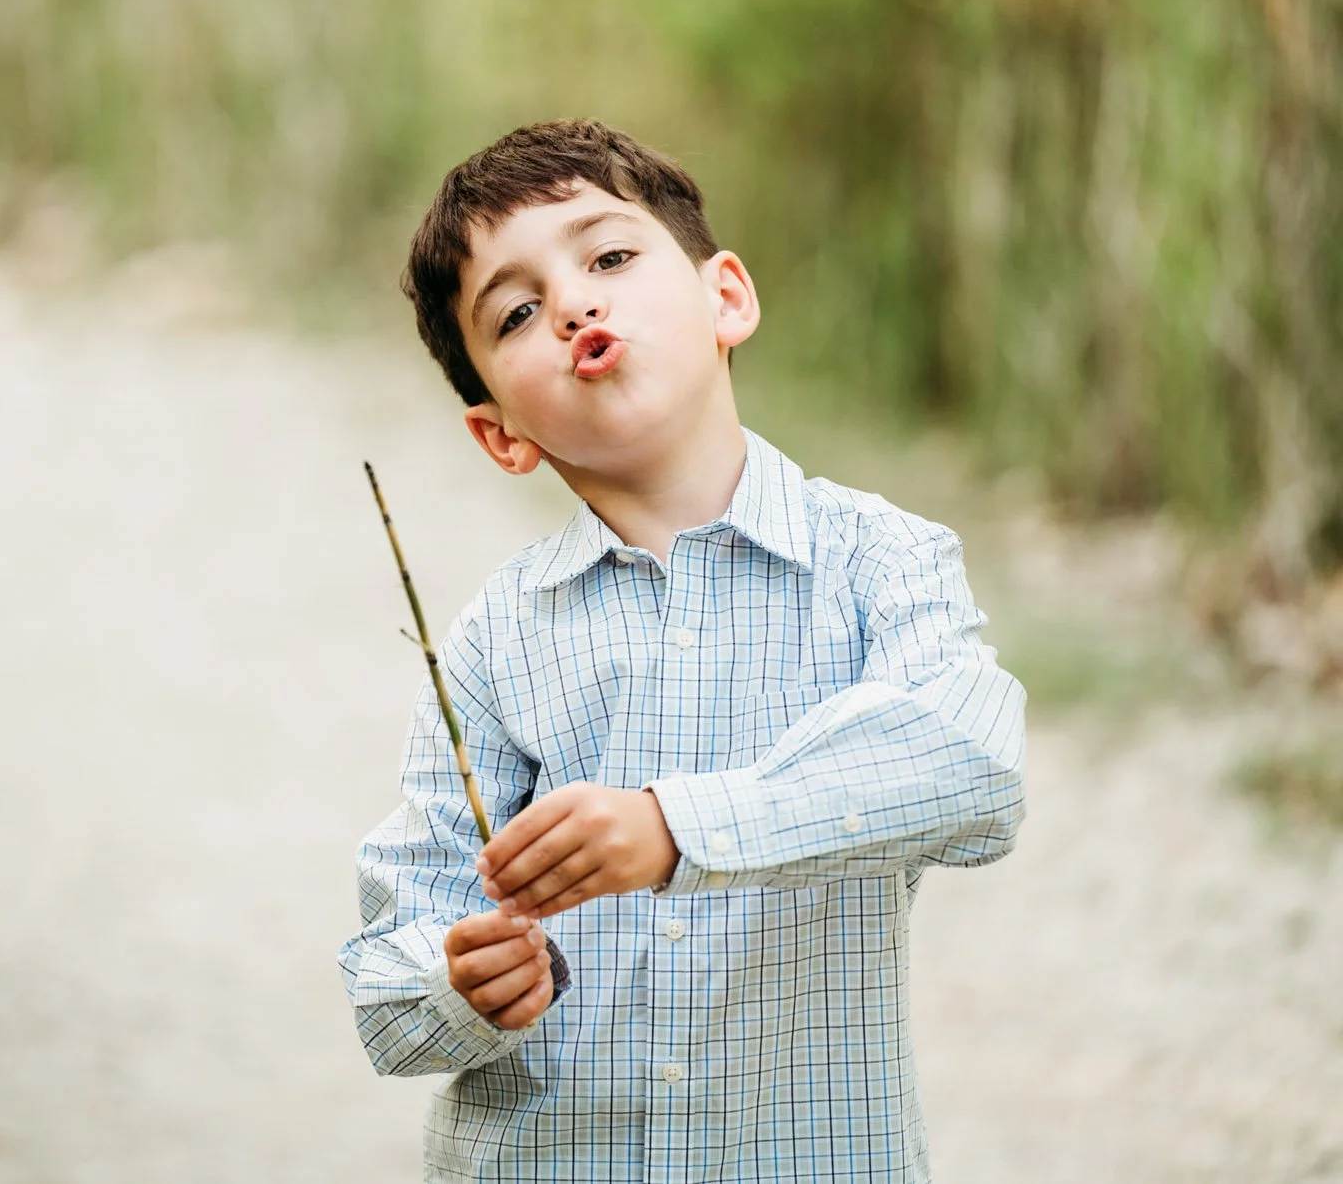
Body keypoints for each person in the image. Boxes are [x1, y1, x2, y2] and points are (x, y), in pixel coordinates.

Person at [338, 119, 1027, 1182]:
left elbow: (970, 767)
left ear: (725, 299)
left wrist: (675, 828)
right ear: (500, 434)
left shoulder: (878, 561)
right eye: (516, 311)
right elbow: (389, 992)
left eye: (609, 256)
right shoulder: (496, 639)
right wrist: (455, 980)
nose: (572, 303)